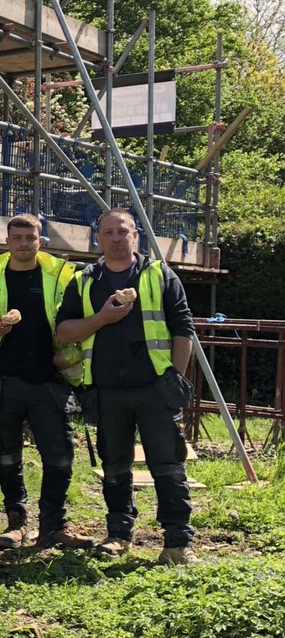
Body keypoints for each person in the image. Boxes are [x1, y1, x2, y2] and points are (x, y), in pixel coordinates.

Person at [55, 207, 198, 564]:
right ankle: (119, 534)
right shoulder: (84, 280)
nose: (117, 238)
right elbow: (64, 332)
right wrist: (102, 318)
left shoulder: (159, 275)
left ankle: (177, 543)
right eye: (109, 232)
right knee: (115, 466)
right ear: (98, 238)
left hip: (154, 388)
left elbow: (184, 330)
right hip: (106, 391)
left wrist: (176, 378)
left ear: (136, 236)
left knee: (168, 466)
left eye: (124, 231)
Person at [0, 214, 93, 550]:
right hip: (2, 380)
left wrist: (71, 358)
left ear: (40, 241)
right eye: (16, 238)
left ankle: (53, 527)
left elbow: (83, 320)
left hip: (50, 381)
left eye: (29, 238)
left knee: (60, 457)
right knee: (7, 458)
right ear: (7, 242)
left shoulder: (63, 274)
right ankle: (16, 524)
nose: (23, 244)